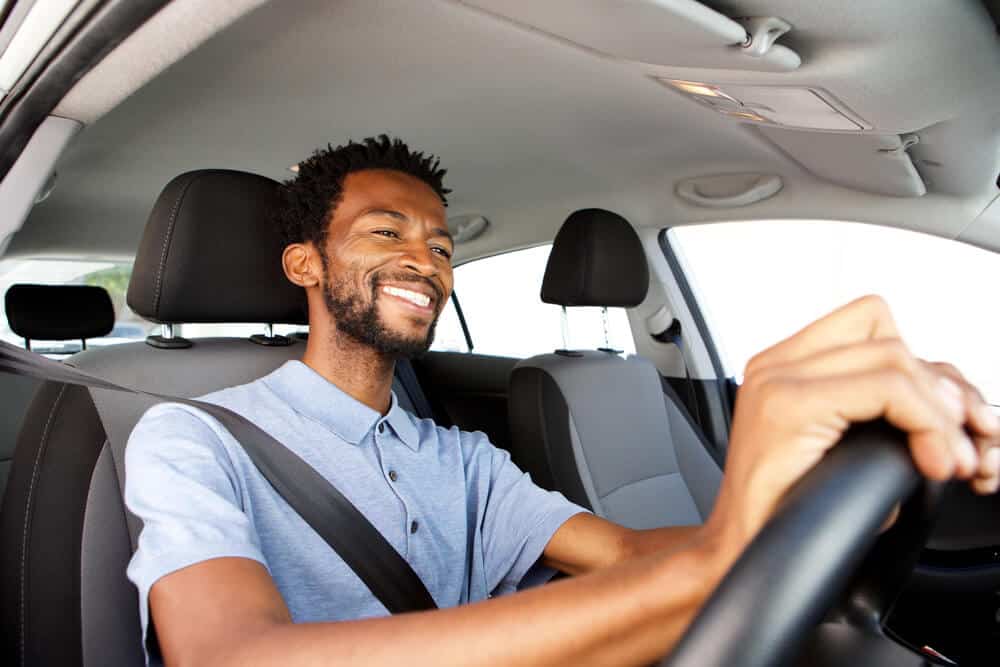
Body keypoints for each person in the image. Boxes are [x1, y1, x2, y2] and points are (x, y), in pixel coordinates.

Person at [125, 135, 1000, 667]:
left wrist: (793, 518)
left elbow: (620, 550)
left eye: (439, 244)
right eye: (385, 233)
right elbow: (228, 654)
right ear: (305, 265)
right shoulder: (192, 440)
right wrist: (710, 566)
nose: (426, 262)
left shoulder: (456, 455)